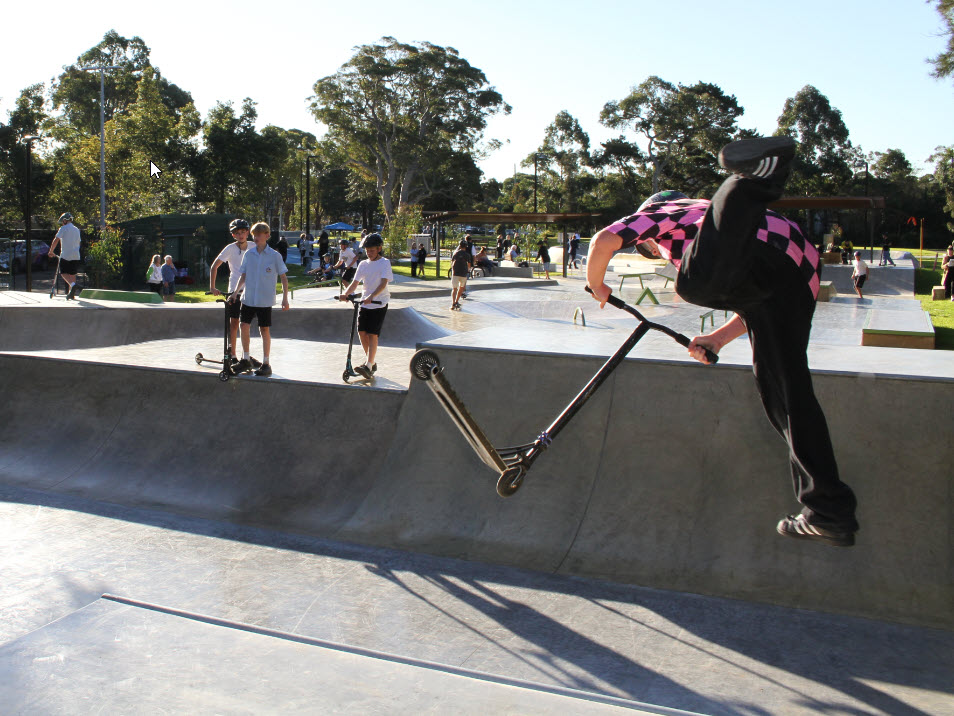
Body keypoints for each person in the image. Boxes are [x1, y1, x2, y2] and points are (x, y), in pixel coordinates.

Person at [587, 136, 859, 548]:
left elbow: (604, 240)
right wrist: (715, 338)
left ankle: (755, 180)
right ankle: (828, 511)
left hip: (757, 251)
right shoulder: (716, 225)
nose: (657, 253)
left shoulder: (669, 210)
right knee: (786, 396)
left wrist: (597, 285)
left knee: (692, 283)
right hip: (798, 273)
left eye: (650, 249)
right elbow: (754, 304)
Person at [229, 222, 289, 377]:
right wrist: (235, 292)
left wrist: (285, 298)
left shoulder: (275, 256)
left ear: (267, 236)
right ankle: (246, 358)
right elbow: (243, 275)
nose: (256, 238)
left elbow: (283, 277)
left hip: (265, 299)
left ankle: (266, 363)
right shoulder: (249, 254)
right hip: (248, 298)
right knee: (244, 325)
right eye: (254, 235)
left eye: (259, 235)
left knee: (264, 330)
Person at [336, 233, 392, 378]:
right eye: (367, 250)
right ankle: (371, 362)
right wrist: (346, 294)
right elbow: (354, 283)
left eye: (372, 250)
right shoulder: (363, 264)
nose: (369, 253)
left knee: (373, 334)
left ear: (379, 248)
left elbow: (384, 282)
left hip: (379, 303)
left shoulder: (384, 262)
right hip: (365, 303)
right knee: (361, 332)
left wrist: (372, 296)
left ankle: (368, 364)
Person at [210, 219, 252, 368]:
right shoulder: (230, 248)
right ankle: (233, 354)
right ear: (233, 235)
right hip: (234, 291)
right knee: (233, 323)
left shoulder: (254, 246)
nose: (241, 236)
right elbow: (214, 266)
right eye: (237, 233)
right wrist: (212, 287)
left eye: (243, 232)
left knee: (245, 324)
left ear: (247, 232)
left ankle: (245, 356)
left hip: (251, 291)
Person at [48, 212, 82, 299]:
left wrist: (51, 251)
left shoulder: (63, 228)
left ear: (65, 220)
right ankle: (72, 294)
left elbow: (56, 239)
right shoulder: (76, 229)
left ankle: (73, 285)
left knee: (63, 273)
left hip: (66, 254)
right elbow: (79, 242)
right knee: (72, 274)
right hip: (76, 255)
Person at [450, 240, 471, 310]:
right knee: (461, 288)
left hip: (455, 273)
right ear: (465, 247)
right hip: (463, 274)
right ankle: (456, 301)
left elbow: (452, 262)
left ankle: (453, 303)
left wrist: (453, 270)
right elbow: (469, 264)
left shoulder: (456, 253)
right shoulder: (467, 255)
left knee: (454, 289)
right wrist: (468, 270)